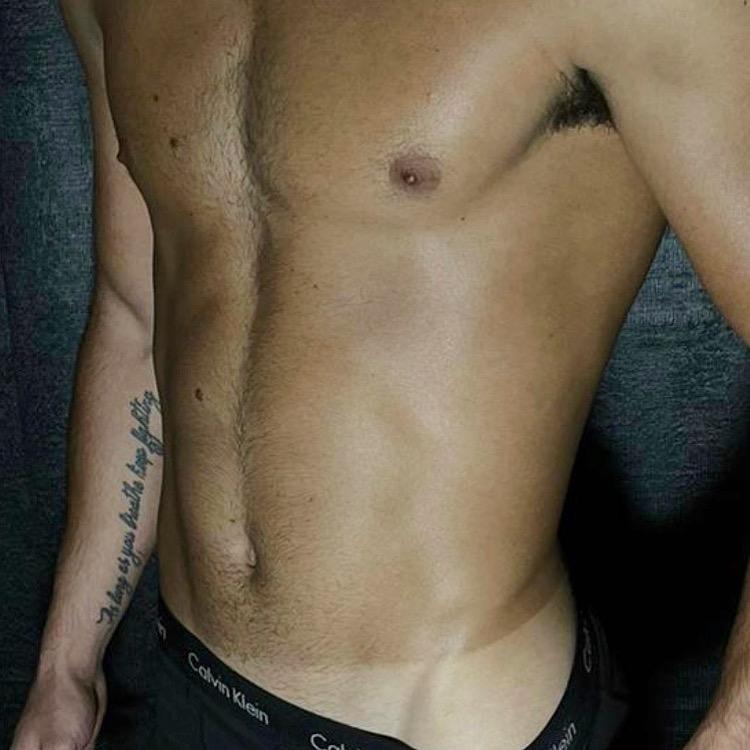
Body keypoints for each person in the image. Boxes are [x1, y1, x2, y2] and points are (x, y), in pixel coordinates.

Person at [11, 1, 750, 748]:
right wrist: (66, 663)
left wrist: (732, 729)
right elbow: (136, 313)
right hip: (195, 684)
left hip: (448, 719)